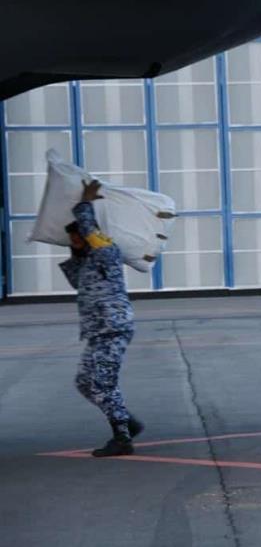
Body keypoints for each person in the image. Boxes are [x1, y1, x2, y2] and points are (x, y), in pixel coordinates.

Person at [59, 179, 144, 457]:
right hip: (97, 332)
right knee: (84, 381)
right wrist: (74, 250)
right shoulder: (85, 265)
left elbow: (89, 230)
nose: (75, 242)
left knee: (102, 382)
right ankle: (127, 422)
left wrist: (85, 202)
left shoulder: (107, 252)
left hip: (112, 327)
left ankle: (122, 436)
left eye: (77, 238)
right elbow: (75, 281)